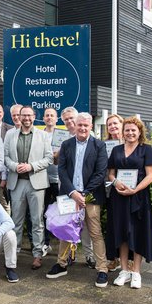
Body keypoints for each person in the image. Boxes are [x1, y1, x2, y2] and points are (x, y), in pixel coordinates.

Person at [46, 113, 109, 287]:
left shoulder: (99, 145)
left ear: (91, 127)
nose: (82, 128)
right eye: (79, 125)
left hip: (91, 196)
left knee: (95, 232)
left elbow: (100, 172)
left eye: (85, 126)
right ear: (76, 125)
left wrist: (84, 193)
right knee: (66, 230)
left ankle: (102, 269)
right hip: (69, 196)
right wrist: (73, 192)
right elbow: (62, 171)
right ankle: (61, 264)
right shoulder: (66, 144)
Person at [107, 117, 152, 289]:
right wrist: (115, 183)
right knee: (121, 232)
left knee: (137, 232)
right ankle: (124, 270)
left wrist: (135, 190)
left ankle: (136, 272)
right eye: (127, 130)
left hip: (139, 198)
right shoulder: (116, 150)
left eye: (133, 130)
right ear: (123, 132)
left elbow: (150, 175)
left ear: (139, 132)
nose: (130, 133)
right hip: (119, 196)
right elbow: (111, 173)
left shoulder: (146, 150)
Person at [3, 105, 53, 269]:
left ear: (34, 117)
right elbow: (5, 157)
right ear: (18, 116)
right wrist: (14, 166)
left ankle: (37, 254)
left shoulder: (43, 135)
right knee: (16, 221)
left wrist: (31, 166)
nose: (26, 118)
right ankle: (14, 253)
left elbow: (49, 158)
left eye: (29, 115)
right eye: (23, 115)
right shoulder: (10, 134)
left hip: (36, 183)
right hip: (16, 182)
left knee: (37, 221)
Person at [59, 106, 94, 268]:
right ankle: (66, 258)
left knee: (86, 225)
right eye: (66, 120)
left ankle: (89, 255)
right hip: (67, 189)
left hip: (86, 191)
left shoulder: (91, 137)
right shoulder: (63, 140)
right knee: (66, 225)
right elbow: (62, 167)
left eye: (71, 118)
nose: (69, 122)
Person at [103, 113, 126, 272]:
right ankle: (114, 258)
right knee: (112, 226)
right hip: (110, 189)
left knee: (128, 226)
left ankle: (129, 260)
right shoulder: (104, 144)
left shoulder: (130, 142)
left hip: (129, 188)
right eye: (109, 124)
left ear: (121, 124)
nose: (113, 127)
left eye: (115, 124)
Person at [41, 107, 60, 255]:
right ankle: (46, 243)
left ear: (56, 118)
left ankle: (64, 244)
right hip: (43, 180)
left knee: (64, 213)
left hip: (60, 180)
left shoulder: (63, 135)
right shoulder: (39, 135)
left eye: (52, 115)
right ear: (43, 118)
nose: (49, 118)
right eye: (47, 115)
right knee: (44, 212)